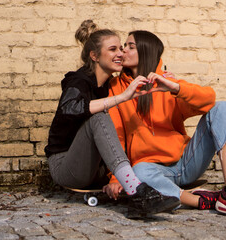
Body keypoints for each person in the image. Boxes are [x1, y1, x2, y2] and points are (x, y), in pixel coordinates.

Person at [104, 30, 226, 220]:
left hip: (186, 162)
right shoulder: (116, 87)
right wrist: (116, 177)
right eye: (124, 46)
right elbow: (115, 136)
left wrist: (175, 87)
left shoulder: (166, 82)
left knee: (222, 108)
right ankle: (201, 200)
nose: (123, 52)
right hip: (151, 168)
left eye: (130, 47)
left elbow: (208, 100)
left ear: (146, 51)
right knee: (138, 173)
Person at [44, 21, 180, 215]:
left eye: (121, 48)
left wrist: (162, 77)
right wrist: (123, 97)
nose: (120, 53)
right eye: (113, 49)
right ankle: (137, 193)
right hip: (66, 166)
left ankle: (142, 187)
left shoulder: (110, 85)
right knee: (99, 117)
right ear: (95, 56)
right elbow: (71, 108)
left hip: (98, 168)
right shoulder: (78, 81)